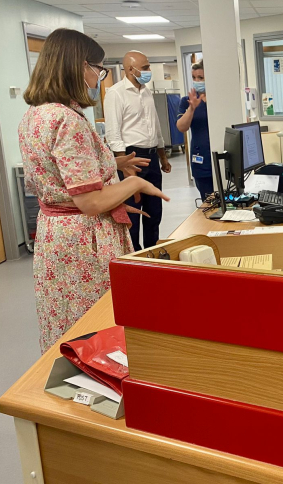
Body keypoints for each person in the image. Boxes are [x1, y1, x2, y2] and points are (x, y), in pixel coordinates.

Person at [19, 29, 169, 352]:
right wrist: (134, 183)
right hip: (83, 242)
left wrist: (112, 203)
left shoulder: (33, 116)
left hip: (54, 237)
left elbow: (64, 189)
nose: (98, 76)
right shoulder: (67, 120)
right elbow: (87, 201)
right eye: (96, 69)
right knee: (95, 327)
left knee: (66, 322)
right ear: (77, 65)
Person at [104, 50, 171, 251]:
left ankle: (152, 251)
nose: (149, 71)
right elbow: (113, 134)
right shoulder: (116, 93)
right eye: (146, 67)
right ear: (131, 69)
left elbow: (155, 127)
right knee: (133, 212)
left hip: (151, 157)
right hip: (132, 157)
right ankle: (136, 257)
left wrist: (163, 157)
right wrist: (125, 166)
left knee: (154, 211)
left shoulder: (146, 91)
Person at [176, 60, 213, 200]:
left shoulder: (219, 100)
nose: (197, 81)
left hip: (220, 157)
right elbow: (181, 127)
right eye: (194, 77)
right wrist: (191, 109)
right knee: (208, 201)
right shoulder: (186, 101)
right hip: (201, 158)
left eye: (201, 78)